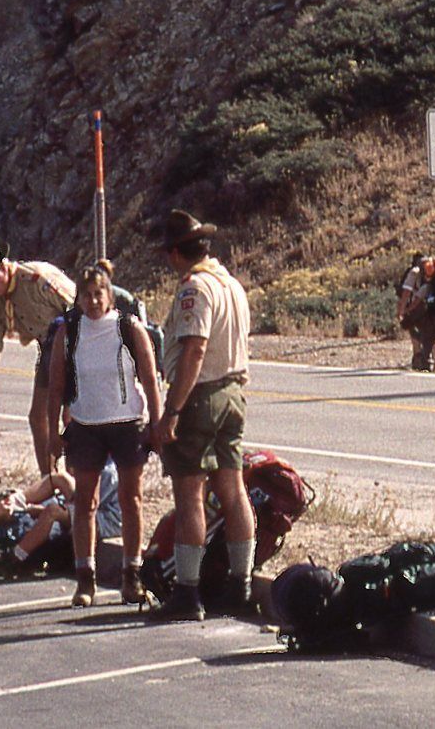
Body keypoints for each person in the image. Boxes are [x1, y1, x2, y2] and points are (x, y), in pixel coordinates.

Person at [149, 210, 255, 623]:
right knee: (233, 488)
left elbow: (194, 349)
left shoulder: (195, 288)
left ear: (176, 253)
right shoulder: (232, 285)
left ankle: (187, 591)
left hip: (201, 395)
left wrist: (172, 410)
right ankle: (240, 583)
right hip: (233, 391)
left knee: (190, 493)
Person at [47, 261, 160, 608]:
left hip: (127, 424)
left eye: (99, 294)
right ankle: (85, 579)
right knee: (84, 502)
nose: (94, 301)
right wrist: (53, 432)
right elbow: (56, 386)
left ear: (110, 296)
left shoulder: (129, 328)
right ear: (78, 298)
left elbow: (150, 379)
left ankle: (131, 576)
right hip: (85, 426)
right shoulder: (69, 331)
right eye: (87, 295)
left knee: (131, 499)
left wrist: (156, 423)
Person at [0, 245, 77, 475]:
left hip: (75, 343)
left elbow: (78, 311)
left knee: (72, 417)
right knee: (38, 418)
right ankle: (50, 479)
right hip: (48, 348)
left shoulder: (37, 279)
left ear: (3, 268)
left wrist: (71, 391)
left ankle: (81, 482)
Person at [396, 252, 429, 371]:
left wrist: (402, 310)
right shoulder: (433, 272)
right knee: (433, 333)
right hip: (434, 305)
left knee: (414, 332)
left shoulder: (413, 272)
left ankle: (418, 359)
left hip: (418, 307)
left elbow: (406, 293)